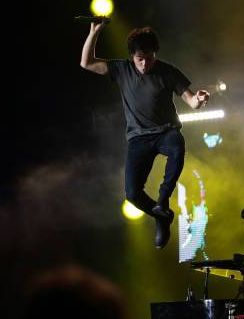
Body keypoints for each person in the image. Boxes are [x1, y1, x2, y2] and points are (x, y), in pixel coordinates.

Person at [80, 21, 209, 249]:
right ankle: (161, 215)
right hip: (138, 138)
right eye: (140, 59)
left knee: (177, 146)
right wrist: (94, 32)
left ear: (155, 55)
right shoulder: (122, 69)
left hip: (165, 131)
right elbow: (86, 63)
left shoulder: (168, 71)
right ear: (132, 57)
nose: (144, 64)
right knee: (132, 194)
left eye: (149, 58)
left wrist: (199, 99)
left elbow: (191, 101)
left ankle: (163, 200)